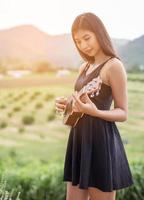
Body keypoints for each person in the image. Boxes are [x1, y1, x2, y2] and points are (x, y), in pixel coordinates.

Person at [55, 12, 134, 200]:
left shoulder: (113, 66)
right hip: (79, 139)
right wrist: (67, 104)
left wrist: (96, 112)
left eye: (87, 38)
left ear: (99, 33)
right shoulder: (84, 67)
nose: (83, 45)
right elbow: (81, 100)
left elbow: (123, 112)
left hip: (100, 141)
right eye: (78, 41)